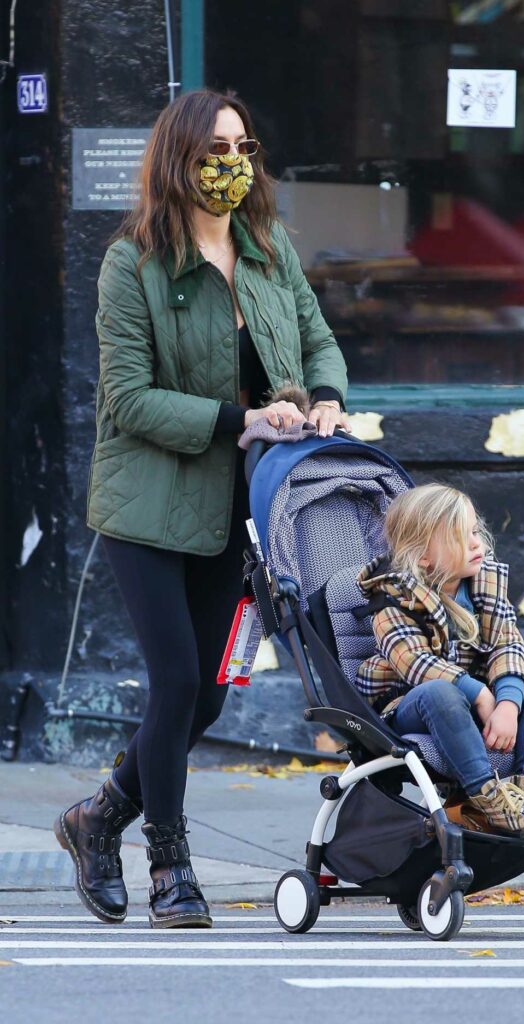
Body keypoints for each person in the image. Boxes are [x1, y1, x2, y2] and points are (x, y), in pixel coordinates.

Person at [54, 88, 350, 929]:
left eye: (243, 146)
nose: (231, 163)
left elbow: (316, 335)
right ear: (178, 158)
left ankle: (99, 815)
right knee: (176, 678)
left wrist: (323, 396)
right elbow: (128, 399)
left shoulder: (266, 247)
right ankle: (171, 868)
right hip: (147, 506)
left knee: (211, 694)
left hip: (240, 506)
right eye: (215, 147)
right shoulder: (133, 263)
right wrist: (241, 419)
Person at [355, 483, 524, 840]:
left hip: (474, 709)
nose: (475, 543)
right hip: (412, 706)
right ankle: (487, 797)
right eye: (460, 537)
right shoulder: (391, 600)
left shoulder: (484, 586)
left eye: (473, 531)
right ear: (424, 556)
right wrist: (481, 695)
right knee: (440, 692)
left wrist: (508, 702)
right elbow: (415, 663)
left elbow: (506, 643)